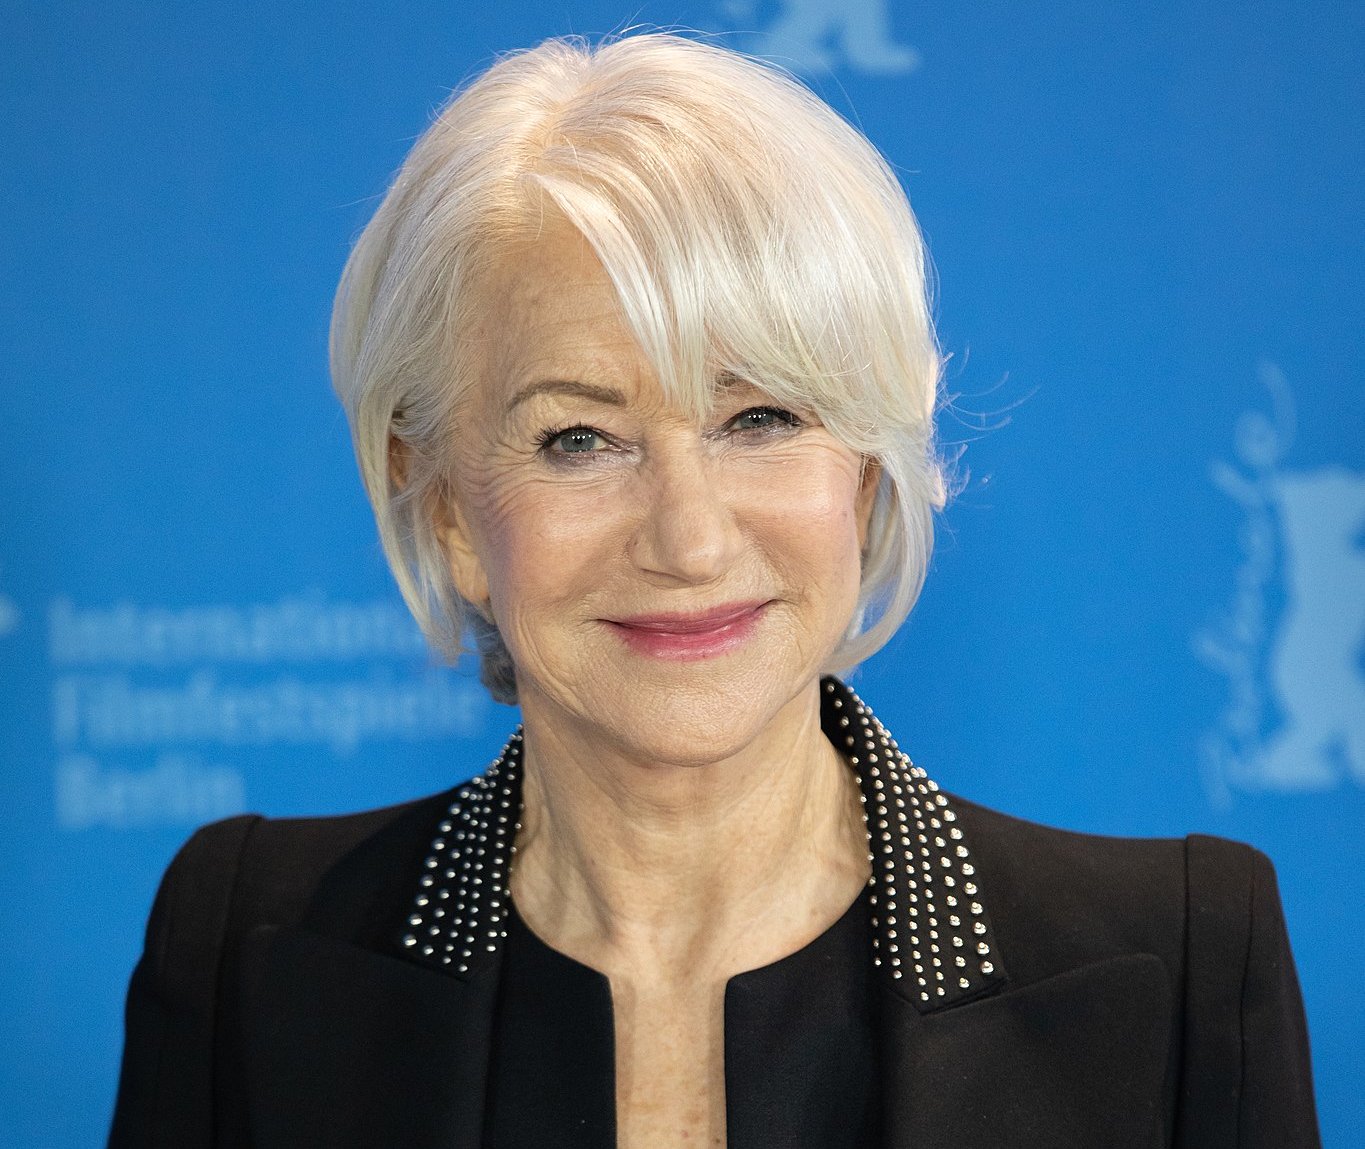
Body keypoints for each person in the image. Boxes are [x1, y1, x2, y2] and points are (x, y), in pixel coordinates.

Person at [107, 32, 1319, 1149]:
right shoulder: (246, 952)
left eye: (761, 418)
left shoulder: (1177, 970)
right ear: (443, 509)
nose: (688, 540)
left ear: (865, 472)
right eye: (580, 439)